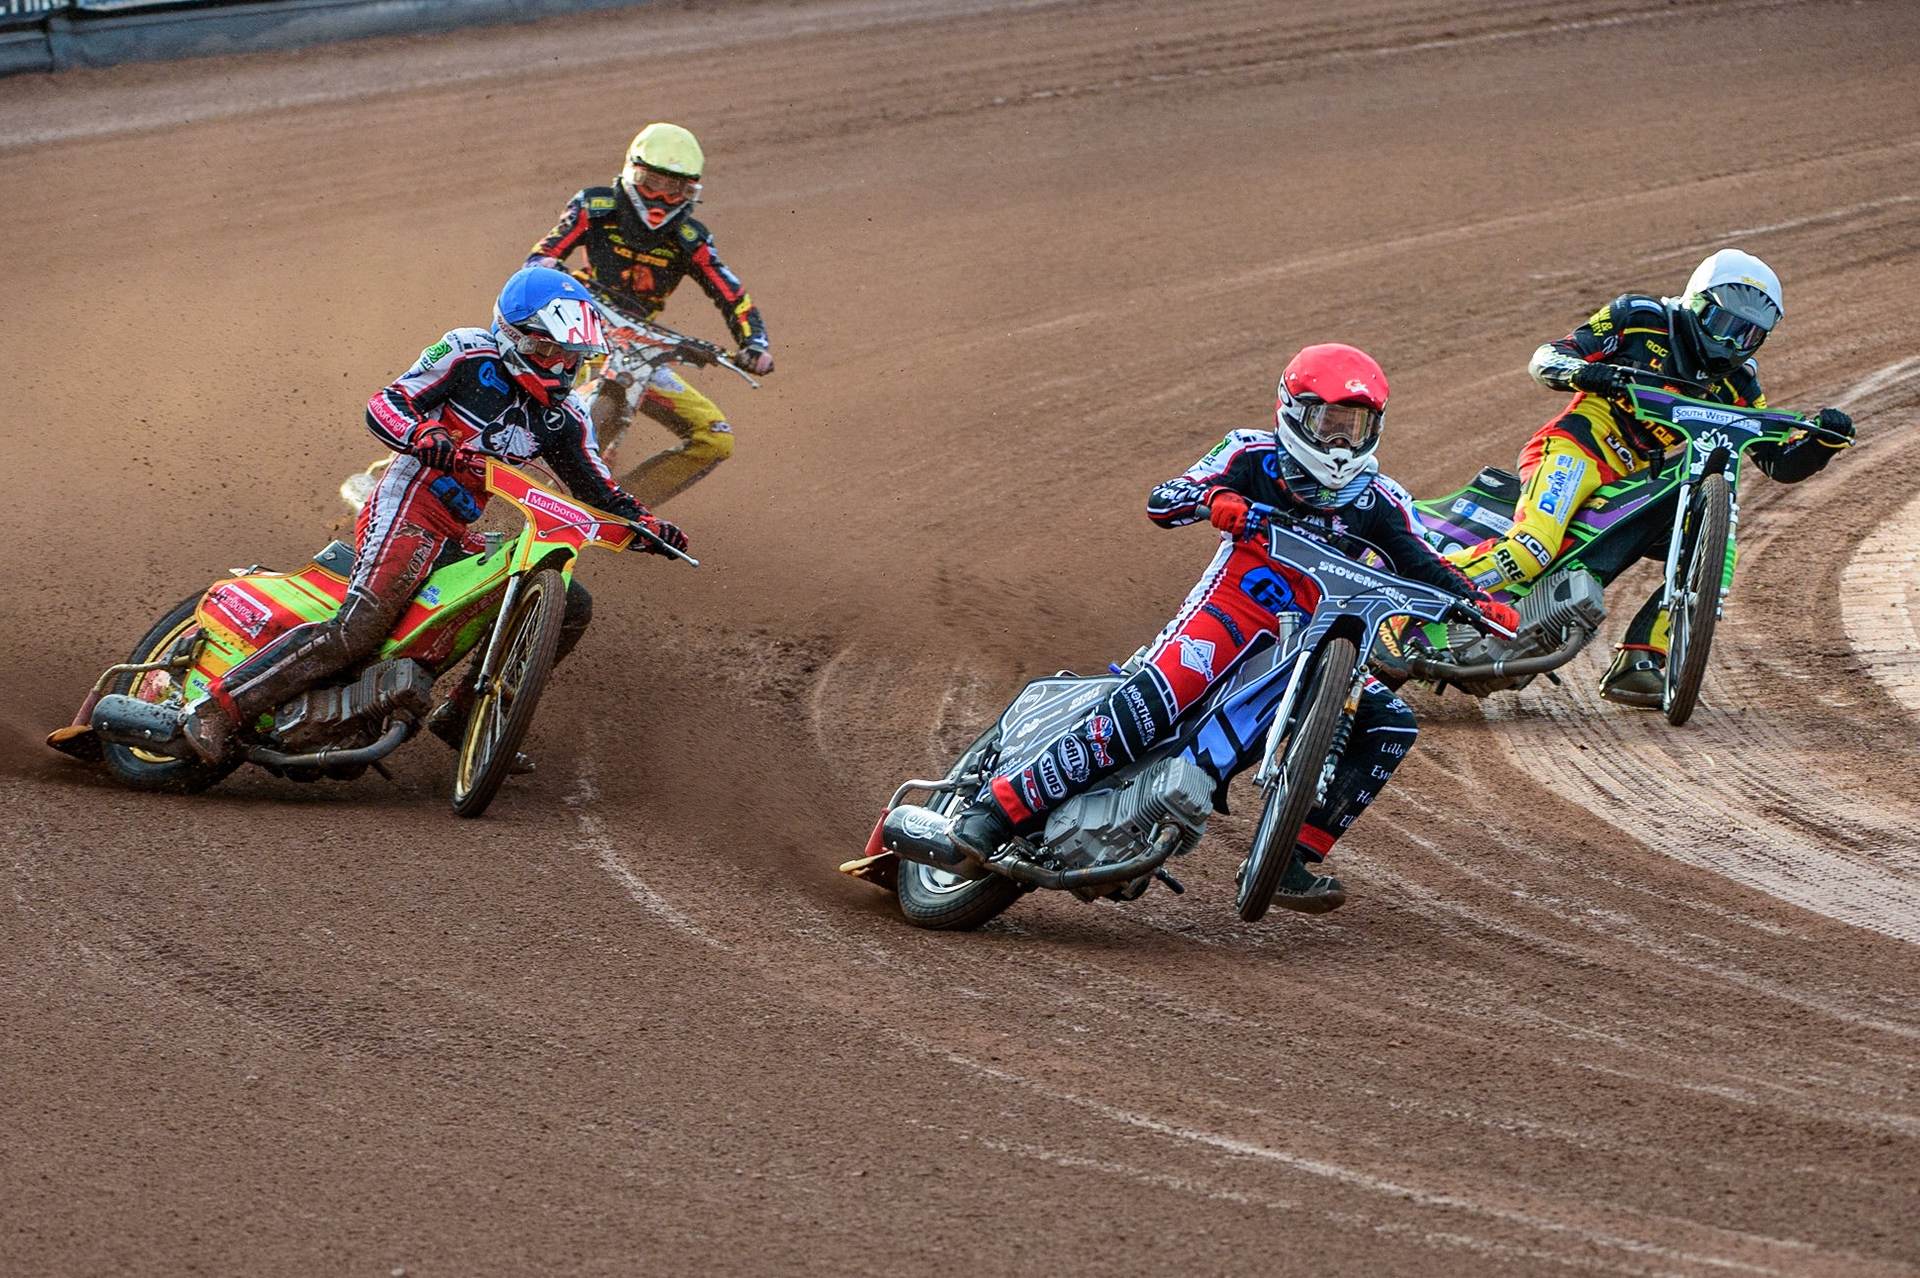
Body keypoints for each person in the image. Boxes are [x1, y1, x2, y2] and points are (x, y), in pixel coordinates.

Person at [946, 344, 1518, 914]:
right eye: (1329, 422)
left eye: (1356, 425)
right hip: (1232, 612)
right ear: (1294, 413)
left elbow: (1423, 561)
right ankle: (996, 811)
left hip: (1314, 646)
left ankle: (1290, 854)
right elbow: (1163, 498)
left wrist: (1479, 602)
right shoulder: (1250, 454)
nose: (1342, 441)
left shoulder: (1381, 499)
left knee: (1389, 722)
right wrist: (1215, 498)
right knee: (1154, 706)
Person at [181, 267, 686, 765]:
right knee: (358, 630)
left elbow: (599, 488)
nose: (560, 366)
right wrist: (423, 434)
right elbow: (386, 404)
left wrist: (645, 526)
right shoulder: (466, 353)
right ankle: (217, 709)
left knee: (571, 604)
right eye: (549, 350)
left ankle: (465, 714)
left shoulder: (565, 414)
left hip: (459, 528)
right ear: (515, 337)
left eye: (571, 355)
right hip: (409, 500)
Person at [1445, 249, 1854, 704]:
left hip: (1633, 482)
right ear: (1698, 304)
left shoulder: (1739, 385)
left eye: (1749, 336)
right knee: (1531, 550)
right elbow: (1547, 357)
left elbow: (1778, 461)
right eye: (1726, 327)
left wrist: (1824, 442)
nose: (1733, 345)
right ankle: (1412, 601)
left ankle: (1642, 659)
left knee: (1715, 554)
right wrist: (1586, 372)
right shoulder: (1639, 316)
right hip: (1574, 448)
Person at [525, 122, 772, 508]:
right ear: (631, 172)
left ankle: (621, 508)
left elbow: (732, 294)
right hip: (573, 328)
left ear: (690, 192)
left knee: (716, 436)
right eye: (650, 181)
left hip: (642, 346)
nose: (659, 196)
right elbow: (543, 253)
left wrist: (755, 343)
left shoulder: (691, 239)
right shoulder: (594, 206)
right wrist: (547, 271)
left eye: (673, 188)